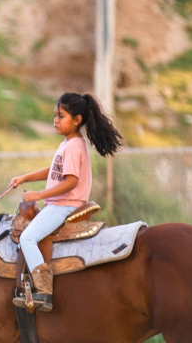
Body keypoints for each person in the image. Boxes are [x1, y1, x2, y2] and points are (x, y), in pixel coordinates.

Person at [8, 92, 122, 312]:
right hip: (61, 202)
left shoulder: (73, 146)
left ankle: (43, 291)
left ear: (77, 120)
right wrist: (25, 177)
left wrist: (38, 195)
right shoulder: (69, 143)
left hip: (64, 205)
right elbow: (54, 172)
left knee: (28, 237)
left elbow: (70, 182)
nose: (55, 121)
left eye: (61, 116)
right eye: (54, 116)